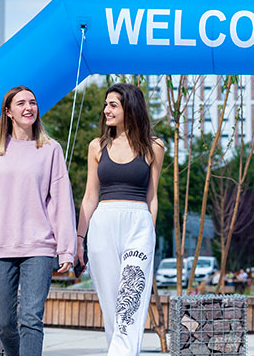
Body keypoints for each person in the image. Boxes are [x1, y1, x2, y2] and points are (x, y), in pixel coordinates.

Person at [0, 85, 76, 356]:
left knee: (31, 318)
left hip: (39, 247)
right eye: (21, 103)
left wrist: (67, 248)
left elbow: (62, 202)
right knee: (4, 323)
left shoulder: (51, 150)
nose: (29, 108)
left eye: (33, 102)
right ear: (8, 112)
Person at [74, 83, 164, 355]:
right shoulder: (97, 146)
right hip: (103, 223)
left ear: (130, 107)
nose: (106, 110)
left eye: (113, 104)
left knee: (131, 298)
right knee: (111, 302)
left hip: (139, 223)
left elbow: (152, 197)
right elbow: (90, 197)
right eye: (105, 104)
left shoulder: (154, 146)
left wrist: (151, 231)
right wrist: (79, 240)